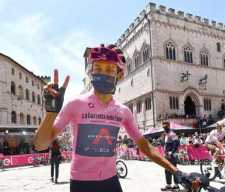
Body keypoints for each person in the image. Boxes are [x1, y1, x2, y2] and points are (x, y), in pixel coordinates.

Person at [34, 44, 186, 192]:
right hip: (82, 182)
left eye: (109, 69)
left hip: (111, 180)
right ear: (91, 73)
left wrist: (175, 171)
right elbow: (40, 145)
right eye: (98, 69)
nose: (103, 73)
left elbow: (146, 147)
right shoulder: (75, 104)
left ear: (119, 75)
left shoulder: (123, 111)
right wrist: (50, 113)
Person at [161, 121, 180, 191]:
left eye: (166, 127)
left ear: (169, 126)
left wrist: (172, 152)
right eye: (163, 127)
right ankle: (168, 185)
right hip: (167, 156)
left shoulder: (172, 134)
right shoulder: (165, 134)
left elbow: (177, 143)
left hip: (172, 156)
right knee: (167, 170)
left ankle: (176, 186)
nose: (164, 128)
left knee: (173, 169)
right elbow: (165, 144)